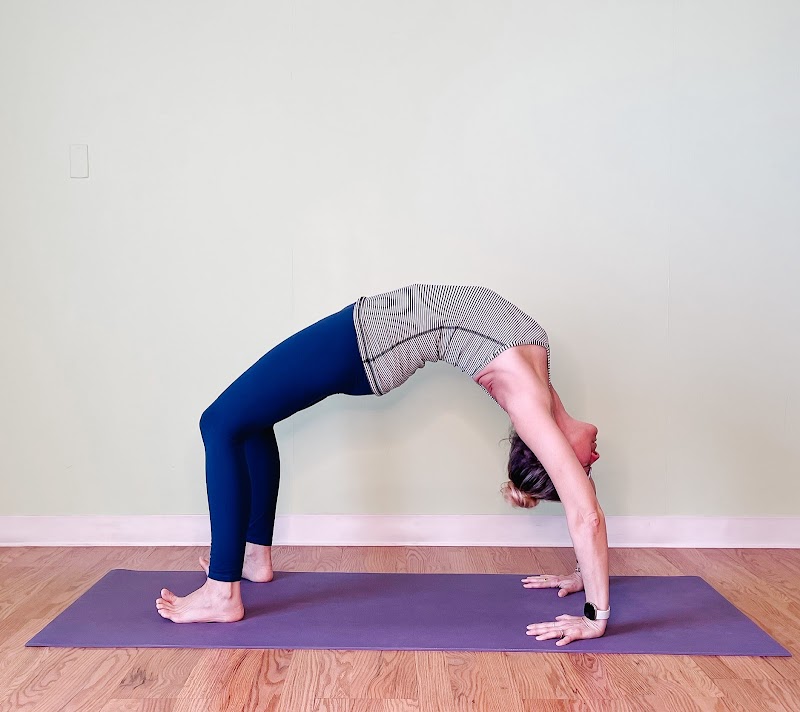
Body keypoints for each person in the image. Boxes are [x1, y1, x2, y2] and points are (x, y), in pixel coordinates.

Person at [155, 284, 609, 646]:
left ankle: (222, 592)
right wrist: (580, 574)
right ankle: (254, 559)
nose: (594, 460)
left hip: (363, 341)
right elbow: (578, 504)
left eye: (581, 469)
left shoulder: (530, 403)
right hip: (369, 332)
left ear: (553, 454)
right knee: (248, 421)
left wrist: (595, 616)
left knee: (219, 424)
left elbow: (585, 514)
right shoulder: (542, 385)